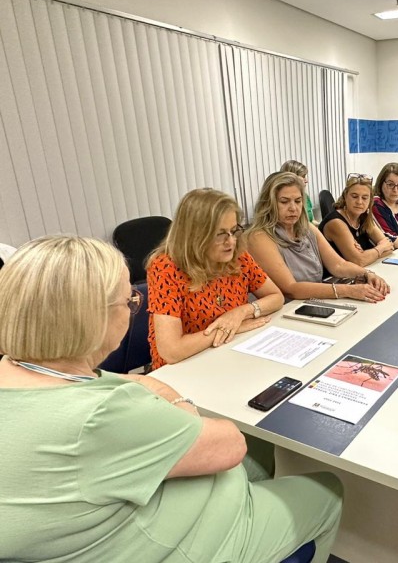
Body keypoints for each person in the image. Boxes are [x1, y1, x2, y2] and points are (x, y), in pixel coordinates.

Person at [0, 235, 343, 563]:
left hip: (99, 529)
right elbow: (230, 444)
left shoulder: (19, 373)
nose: (135, 308)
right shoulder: (102, 415)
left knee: (257, 452)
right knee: (327, 490)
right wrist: (168, 395)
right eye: (130, 302)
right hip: (165, 546)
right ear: (94, 319)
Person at [146, 188, 284, 370]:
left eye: (234, 231)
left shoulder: (238, 256)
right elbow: (171, 351)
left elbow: (276, 297)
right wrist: (227, 329)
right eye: (220, 234)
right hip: (183, 368)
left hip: (230, 354)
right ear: (195, 235)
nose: (231, 242)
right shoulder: (166, 267)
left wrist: (241, 313)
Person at [245, 172, 390, 302]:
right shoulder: (259, 237)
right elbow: (291, 288)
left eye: (297, 201)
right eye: (284, 202)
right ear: (268, 204)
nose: (293, 208)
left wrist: (367, 274)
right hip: (283, 311)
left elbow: (338, 265)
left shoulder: (307, 228)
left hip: (311, 302)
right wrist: (348, 291)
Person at [320, 173, 395, 266]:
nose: (359, 202)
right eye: (354, 196)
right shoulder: (336, 222)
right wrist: (380, 248)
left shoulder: (363, 216)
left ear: (370, 200)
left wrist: (367, 254)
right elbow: (359, 261)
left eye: (364, 198)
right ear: (345, 196)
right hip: (334, 277)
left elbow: (389, 247)